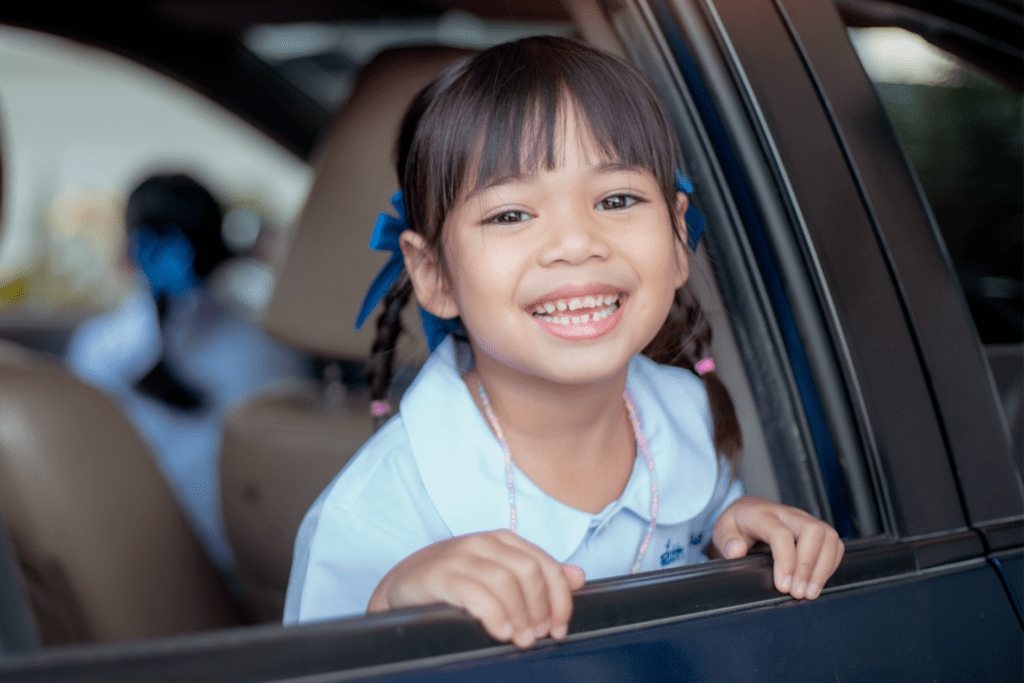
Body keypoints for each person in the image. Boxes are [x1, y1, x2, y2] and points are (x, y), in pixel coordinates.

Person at [284, 36, 844, 648]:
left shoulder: (686, 419)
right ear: (434, 277)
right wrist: (389, 602)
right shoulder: (373, 514)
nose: (577, 243)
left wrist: (733, 540)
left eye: (617, 199)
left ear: (679, 234)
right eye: (510, 215)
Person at [67, 174, 310, 576]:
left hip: (128, 570)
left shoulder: (94, 349)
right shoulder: (267, 352)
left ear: (129, 248)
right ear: (218, 245)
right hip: (241, 573)